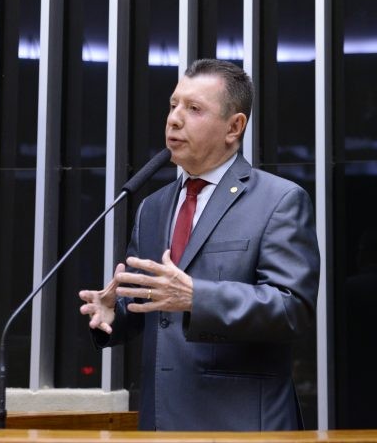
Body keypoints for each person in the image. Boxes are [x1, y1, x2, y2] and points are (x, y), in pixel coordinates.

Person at [79, 59, 320, 431]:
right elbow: (153, 303)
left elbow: (292, 309)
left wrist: (197, 297)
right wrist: (116, 316)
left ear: (234, 127)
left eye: (194, 109)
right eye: (173, 105)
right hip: (161, 424)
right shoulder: (153, 206)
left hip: (240, 427)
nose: (174, 119)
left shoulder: (278, 200)